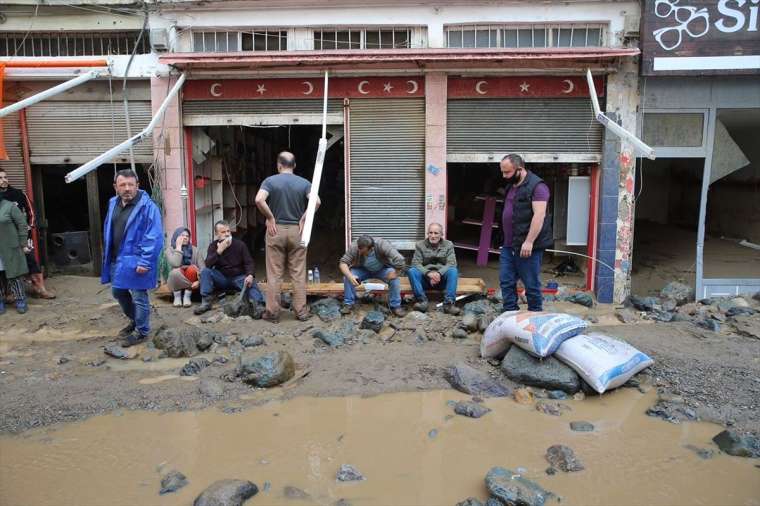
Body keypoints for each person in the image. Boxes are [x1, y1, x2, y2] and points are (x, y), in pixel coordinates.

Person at [254, 151, 318, 323]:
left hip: (276, 230)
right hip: (297, 230)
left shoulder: (270, 181)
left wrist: (270, 217)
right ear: (294, 165)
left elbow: (259, 200)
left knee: (275, 273)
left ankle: (272, 313)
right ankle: (301, 311)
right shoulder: (304, 183)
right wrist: (304, 218)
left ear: (279, 165)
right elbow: (316, 202)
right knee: (298, 272)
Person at [102, 169, 164, 346]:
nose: (127, 188)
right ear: (116, 187)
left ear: (138, 185)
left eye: (131, 184)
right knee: (118, 291)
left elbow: (155, 236)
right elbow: (109, 228)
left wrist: (145, 261)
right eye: (123, 185)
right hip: (117, 259)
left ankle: (142, 331)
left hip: (137, 259)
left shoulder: (149, 208)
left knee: (138, 295)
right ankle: (136, 320)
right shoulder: (113, 203)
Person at [498, 154, 552, 312]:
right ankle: (510, 314)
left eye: (507, 172)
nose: (504, 176)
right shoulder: (511, 186)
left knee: (531, 284)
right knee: (506, 281)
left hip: (528, 246)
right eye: (502, 172)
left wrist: (529, 241)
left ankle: (535, 316)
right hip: (509, 245)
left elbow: (539, 215)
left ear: (519, 169)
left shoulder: (538, 187)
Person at [0, 168, 55, 299]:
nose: (4, 180)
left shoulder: (18, 194)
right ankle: (9, 293)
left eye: (5, 177)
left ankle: (39, 289)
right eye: (0, 178)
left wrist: (27, 231)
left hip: (23, 238)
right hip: (4, 240)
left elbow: (31, 213)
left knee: (31, 261)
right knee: (6, 265)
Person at [194, 220, 264, 315]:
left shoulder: (239, 245)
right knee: (206, 272)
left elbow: (249, 262)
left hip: (238, 277)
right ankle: (206, 303)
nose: (227, 234)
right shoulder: (213, 246)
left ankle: (259, 305)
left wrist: (250, 275)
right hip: (222, 278)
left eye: (228, 231)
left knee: (250, 281)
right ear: (216, 234)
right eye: (223, 232)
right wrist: (219, 251)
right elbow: (208, 265)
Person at [339, 235, 407, 317]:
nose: (360, 252)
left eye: (363, 251)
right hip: (363, 269)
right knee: (347, 276)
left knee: (394, 280)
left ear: (371, 248)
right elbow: (343, 263)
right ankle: (348, 303)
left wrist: (396, 273)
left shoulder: (382, 244)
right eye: (359, 249)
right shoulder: (355, 246)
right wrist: (350, 276)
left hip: (382, 269)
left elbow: (400, 259)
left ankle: (395, 306)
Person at [407, 222, 461, 315]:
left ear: (441, 234)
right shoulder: (420, 245)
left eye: (436, 233)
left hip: (442, 280)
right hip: (425, 280)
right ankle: (422, 302)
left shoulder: (448, 245)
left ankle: (448, 304)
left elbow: (452, 263)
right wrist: (429, 274)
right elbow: (416, 263)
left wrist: (438, 273)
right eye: (430, 233)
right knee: (412, 271)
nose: (433, 236)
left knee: (453, 271)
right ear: (427, 234)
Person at [0, 192, 30, 314]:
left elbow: (22, 224)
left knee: (15, 275)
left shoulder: (9, 206)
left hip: (10, 247)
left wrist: (23, 243)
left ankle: (20, 299)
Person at [166, 227, 205, 307]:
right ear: (176, 236)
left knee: (192, 269)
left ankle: (187, 297)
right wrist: (178, 247)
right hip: (175, 282)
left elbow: (203, 269)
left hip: (192, 283)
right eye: (182, 235)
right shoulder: (169, 250)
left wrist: (199, 281)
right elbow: (176, 264)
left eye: (187, 236)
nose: (185, 237)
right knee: (175, 271)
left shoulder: (195, 250)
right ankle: (177, 297)